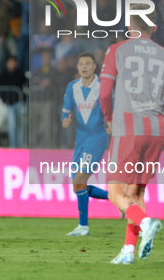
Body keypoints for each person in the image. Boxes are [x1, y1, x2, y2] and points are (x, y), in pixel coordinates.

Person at [99, 6, 164, 264]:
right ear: (154, 28)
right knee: (136, 193)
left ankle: (147, 222)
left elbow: (105, 93)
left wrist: (108, 118)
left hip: (128, 127)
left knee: (115, 192)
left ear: (130, 27)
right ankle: (128, 251)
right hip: (157, 130)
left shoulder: (117, 50)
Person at [61, 52, 109, 236]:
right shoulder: (72, 87)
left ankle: (83, 227)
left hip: (97, 139)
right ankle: (120, 199)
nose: (84, 67)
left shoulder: (103, 87)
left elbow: (112, 108)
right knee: (78, 185)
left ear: (94, 67)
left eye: (88, 63)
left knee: (79, 181)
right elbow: (66, 109)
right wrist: (65, 119)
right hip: (80, 140)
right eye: (81, 63)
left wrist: (112, 123)